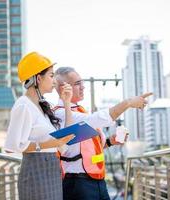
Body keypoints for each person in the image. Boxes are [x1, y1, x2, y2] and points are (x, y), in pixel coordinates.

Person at [54, 67, 152, 200]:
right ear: (63, 88)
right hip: (78, 183)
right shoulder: (61, 113)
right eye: (77, 84)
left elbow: (85, 148)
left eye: (82, 83)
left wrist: (111, 141)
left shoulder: (79, 111)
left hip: (96, 180)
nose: (83, 87)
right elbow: (97, 119)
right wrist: (128, 103)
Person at [4, 52, 74, 200]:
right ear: (38, 78)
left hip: (51, 168)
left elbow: (65, 138)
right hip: (36, 170)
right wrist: (50, 143)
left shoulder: (43, 106)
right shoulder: (23, 105)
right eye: (51, 75)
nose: (54, 80)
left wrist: (67, 103)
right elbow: (12, 146)